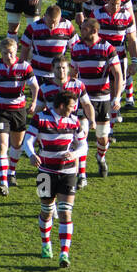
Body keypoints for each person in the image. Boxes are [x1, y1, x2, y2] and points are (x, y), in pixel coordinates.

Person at [22, 93, 80, 269]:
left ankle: (64, 253)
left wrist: (75, 154)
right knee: (46, 210)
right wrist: (31, 155)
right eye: (71, 106)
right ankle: (46, 243)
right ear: (61, 105)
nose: (74, 109)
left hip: (68, 172)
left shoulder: (74, 121)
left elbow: (83, 144)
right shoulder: (40, 118)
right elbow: (28, 140)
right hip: (45, 173)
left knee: (65, 212)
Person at [0, 37, 39, 195]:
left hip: (19, 111)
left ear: (16, 52)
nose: (9, 56)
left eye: (11, 53)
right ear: (1, 53)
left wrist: (33, 103)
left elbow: (35, 86)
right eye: (5, 53)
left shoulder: (25, 67)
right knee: (1, 147)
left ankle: (11, 171)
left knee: (17, 145)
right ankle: (3, 182)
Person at [69, 17, 123, 178]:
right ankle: (81, 175)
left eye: (84, 28)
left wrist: (117, 97)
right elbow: (73, 74)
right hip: (84, 100)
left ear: (94, 31)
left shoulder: (107, 48)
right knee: (81, 136)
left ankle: (101, 157)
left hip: (102, 100)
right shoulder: (76, 48)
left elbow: (118, 73)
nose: (81, 31)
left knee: (102, 137)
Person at [38, 53, 95, 189]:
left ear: (68, 68)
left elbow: (87, 104)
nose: (61, 71)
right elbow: (39, 109)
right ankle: (63, 175)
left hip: (76, 120)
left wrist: (92, 120)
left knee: (80, 143)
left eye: (63, 68)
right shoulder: (45, 87)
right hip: (55, 124)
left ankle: (81, 175)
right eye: (58, 68)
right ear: (52, 69)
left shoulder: (78, 85)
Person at [92, 0, 137, 117]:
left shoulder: (126, 15)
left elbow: (131, 40)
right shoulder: (97, 14)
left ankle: (113, 109)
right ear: (107, 1)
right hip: (101, 56)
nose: (115, 7)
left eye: (118, 4)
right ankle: (108, 111)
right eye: (113, 4)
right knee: (103, 85)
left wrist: (134, 61)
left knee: (118, 84)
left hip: (119, 56)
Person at [20, 4, 76, 89]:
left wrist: (73, 71)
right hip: (38, 73)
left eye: (55, 22)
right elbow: (24, 50)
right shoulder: (33, 27)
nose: (52, 26)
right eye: (50, 22)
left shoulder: (67, 26)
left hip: (59, 75)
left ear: (60, 17)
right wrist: (22, 72)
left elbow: (75, 50)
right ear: (44, 16)